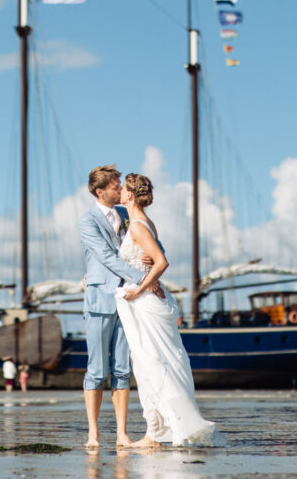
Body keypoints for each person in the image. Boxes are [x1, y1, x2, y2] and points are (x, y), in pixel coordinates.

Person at [114, 173, 226, 448]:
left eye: (122, 188)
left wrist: (141, 287)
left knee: (153, 362)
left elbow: (161, 262)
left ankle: (162, 430)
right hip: (142, 300)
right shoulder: (143, 223)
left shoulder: (139, 226)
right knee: (148, 362)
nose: (118, 190)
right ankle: (156, 430)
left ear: (129, 194)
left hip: (144, 301)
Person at [79, 164, 160, 448]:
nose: (120, 189)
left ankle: (122, 433)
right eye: (115, 186)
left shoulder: (129, 214)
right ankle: (93, 433)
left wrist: (152, 261)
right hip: (101, 299)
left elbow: (151, 242)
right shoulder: (87, 221)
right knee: (97, 371)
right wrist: (144, 277)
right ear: (101, 191)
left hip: (129, 299)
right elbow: (105, 256)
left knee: (123, 369)